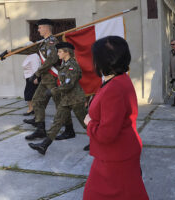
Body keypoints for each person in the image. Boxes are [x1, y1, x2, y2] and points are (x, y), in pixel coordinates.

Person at [83, 36, 149, 200]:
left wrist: (89, 123)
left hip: (115, 157)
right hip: (119, 153)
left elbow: (107, 134)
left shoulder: (114, 87)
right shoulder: (118, 80)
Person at [8, 19, 73, 140]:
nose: (38, 30)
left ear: (46, 28)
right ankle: (40, 129)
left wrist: (37, 73)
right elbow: (29, 49)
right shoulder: (43, 42)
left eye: (39, 28)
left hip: (54, 78)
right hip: (45, 79)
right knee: (37, 101)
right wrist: (11, 52)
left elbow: (52, 59)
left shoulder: (52, 41)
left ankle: (69, 130)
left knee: (61, 105)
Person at [28, 42, 87, 155]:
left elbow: (68, 85)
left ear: (67, 52)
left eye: (60, 51)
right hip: (66, 100)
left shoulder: (72, 66)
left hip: (76, 99)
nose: (58, 54)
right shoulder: (64, 65)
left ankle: (98, 142)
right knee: (57, 122)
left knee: (86, 123)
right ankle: (43, 146)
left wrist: (53, 91)